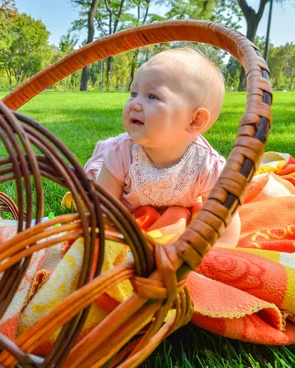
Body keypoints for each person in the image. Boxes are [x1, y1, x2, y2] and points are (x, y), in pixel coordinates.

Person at [84, 48, 240, 248]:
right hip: (114, 191)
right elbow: (103, 212)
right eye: (133, 93)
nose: (135, 104)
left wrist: (218, 252)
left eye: (152, 96)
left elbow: (224, 221)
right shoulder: (121, 154)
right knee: (86, 188)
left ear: (195, 120)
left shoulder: (208, 166)